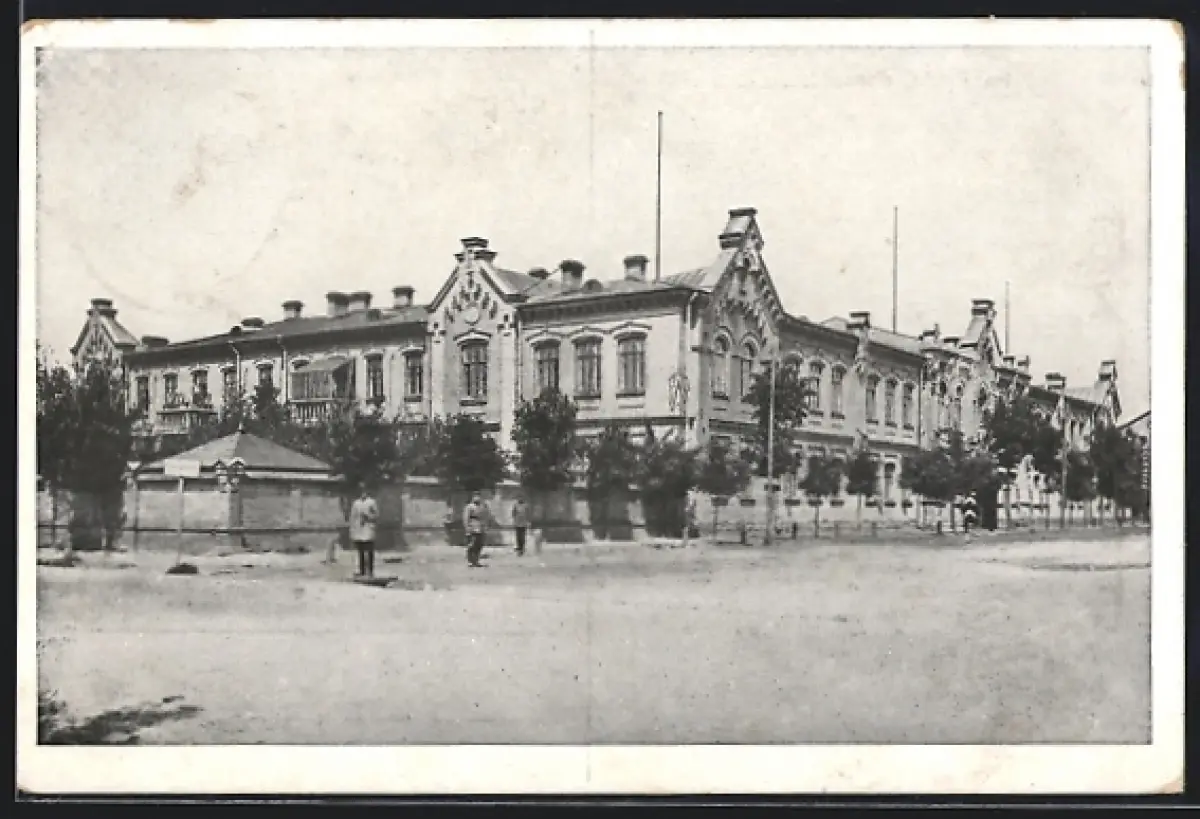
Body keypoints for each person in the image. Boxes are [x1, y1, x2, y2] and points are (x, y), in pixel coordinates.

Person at [349, 485, 379, 578]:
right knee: (360, 551)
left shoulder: (371, 502)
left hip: (368, 528)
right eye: (361, 491)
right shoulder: (356, 503)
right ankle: (362, 571)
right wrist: (352, 529)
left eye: (364, 491)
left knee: (369, 551)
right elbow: (353, 517)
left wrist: (368, 516)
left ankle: (370, 571)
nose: (363, 493)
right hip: (359, 530)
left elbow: (376, 515)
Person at [463, 492, 488, 568]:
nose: (477, 498)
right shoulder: (469, 507)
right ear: (473, 497)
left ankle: (476, 561)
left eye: (478, 496)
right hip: (472, 527)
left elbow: (485, 517)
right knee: (471, 545)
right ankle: (470, 561)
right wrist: (467, 528)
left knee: (479, 545)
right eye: (475, 496)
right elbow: (466, 518)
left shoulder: (483, 506)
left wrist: (485, 527)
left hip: (481, 528)